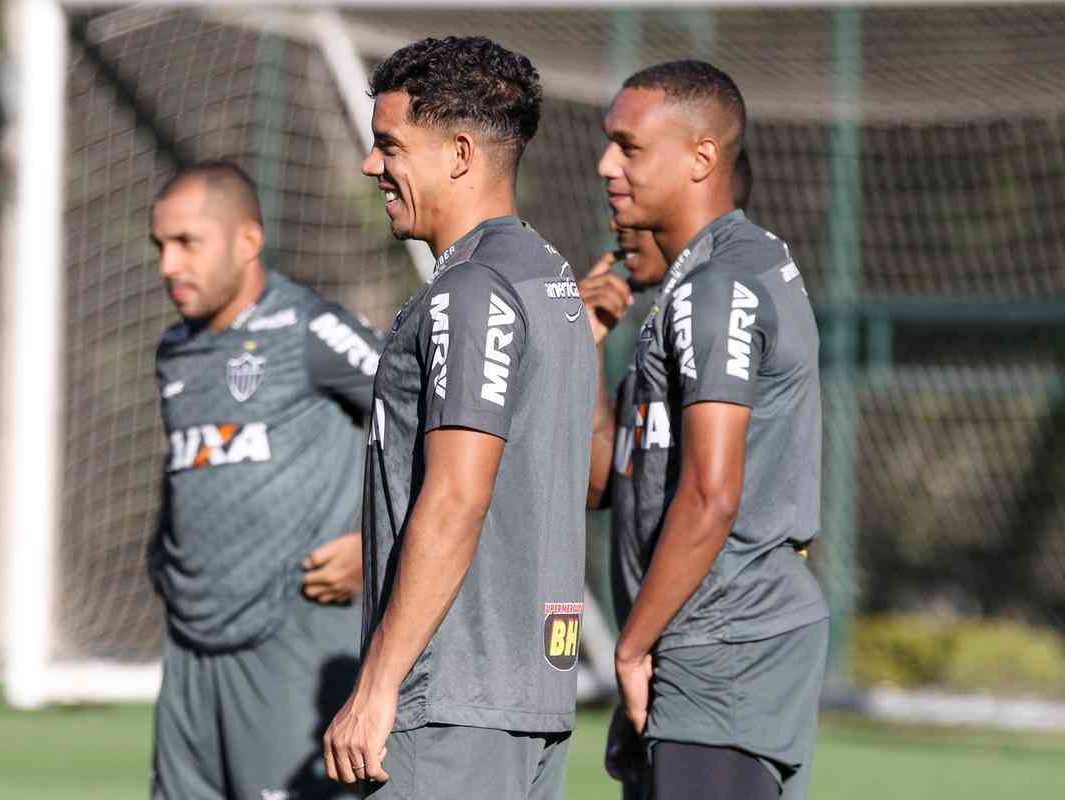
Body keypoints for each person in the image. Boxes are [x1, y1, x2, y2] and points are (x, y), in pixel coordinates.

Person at [321, 36, 598, 800]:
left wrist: (377, 686)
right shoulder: (551, 281)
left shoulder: (470, 291)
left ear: (461, 153)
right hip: (529, 693)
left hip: (450, 702)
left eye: (390, 146)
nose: (372, 166)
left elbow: (455, 497)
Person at [583, 61, 828, 800]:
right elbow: (603, 479)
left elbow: (713, 494)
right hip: (694, 645)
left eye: (628, 146)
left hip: (720, 645)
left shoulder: (719, 287)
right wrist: (585, 342)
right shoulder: (689, 287)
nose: (606, 165)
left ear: (701, 157)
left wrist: (631, 647)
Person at [147, 160, 384, 800]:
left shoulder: (312, 329)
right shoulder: (175, 349)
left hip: (294, 633)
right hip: (192, 644)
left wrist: (378, 545)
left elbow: (430, 426)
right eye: (161, 246)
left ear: (247, 242)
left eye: (187, 243)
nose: (169, 265)